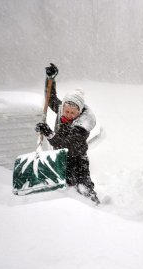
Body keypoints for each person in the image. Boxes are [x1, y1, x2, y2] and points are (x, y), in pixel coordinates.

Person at [35, 65, 100, 204]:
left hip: (77, 158)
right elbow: (50, 99)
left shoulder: (83, 123)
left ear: (79, 112)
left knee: (83, 186)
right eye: (67, 111)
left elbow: (65, 144)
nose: (69, 115)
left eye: (73, 113)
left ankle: (95, 206)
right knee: (66, 187)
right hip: (62, 157)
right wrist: (50, 79)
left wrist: (48, 133)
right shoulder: (62, 108)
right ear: (63, 107)